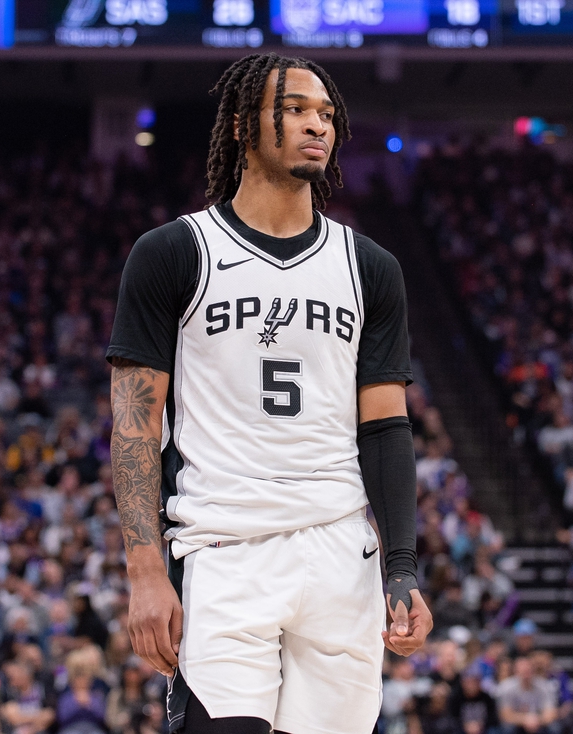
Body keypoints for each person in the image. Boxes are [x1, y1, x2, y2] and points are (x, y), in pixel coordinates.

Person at [105, 52, 432, 734]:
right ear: (240, 126)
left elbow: (386, 429)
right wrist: (144, 569)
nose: (318, 125)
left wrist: (401, 566)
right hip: (224, 549)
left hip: (340, 552)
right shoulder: (173, 252)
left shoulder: (370, 268)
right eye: (294, 109)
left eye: (327, 114)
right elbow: (136, 426)